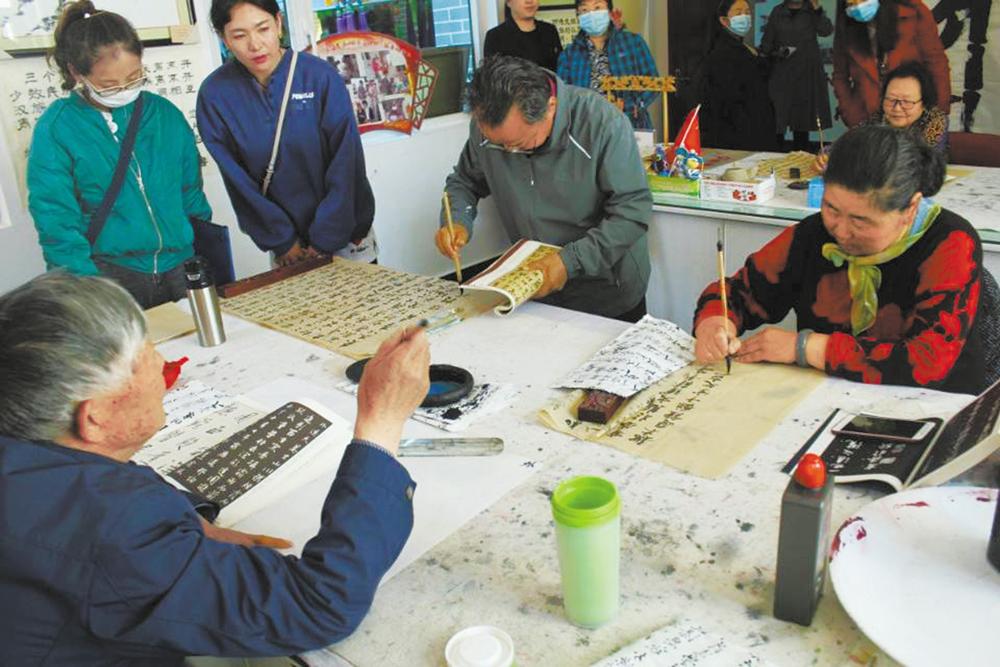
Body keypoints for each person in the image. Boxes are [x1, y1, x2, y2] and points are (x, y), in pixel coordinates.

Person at [0, 271, 429, 664]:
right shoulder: (113, 529)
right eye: (143, 354)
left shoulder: (27, 449)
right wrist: (381, 419)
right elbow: (319, 607)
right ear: (96, 417)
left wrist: (188, 524)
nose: (159, 361)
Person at [694, 125, 986, 394]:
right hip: (828, 399)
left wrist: (804, 348)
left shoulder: (950, 243)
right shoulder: (814, 234)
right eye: (831, 209)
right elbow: (740, 292)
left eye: (861, 221)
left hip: (933, 406)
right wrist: (716, 323)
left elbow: (927, 361)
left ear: (909, 209)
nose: (841, 232)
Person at [26, 1, 213, 309]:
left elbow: (190, 192)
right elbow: (56, 221)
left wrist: (202, 251)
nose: (125, 89)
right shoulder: (58, 128)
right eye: (109, 84)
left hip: (182, 267)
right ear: (77, 73)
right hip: (110, 277)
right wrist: (88, 291)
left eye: (135, 77)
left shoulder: (163, 114)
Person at [436, 56, 650, 321]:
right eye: (497, 144)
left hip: (605, 288)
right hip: (533, 285)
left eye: (518, 144)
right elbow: (465, 181)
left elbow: (632, 213)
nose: (507, 152)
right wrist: (456, 219)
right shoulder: (488, 129)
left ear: (551, 107)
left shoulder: (602, 124)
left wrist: (569, 262)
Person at [197, 0, 376, 267]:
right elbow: (238, 181)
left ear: (279, 23)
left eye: (263, 29)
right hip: (285, 247)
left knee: (363, 308)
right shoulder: (215, 95)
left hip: (346, 234)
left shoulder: (319, 77)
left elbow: (346, 163)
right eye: (239, 35)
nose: (255, 44)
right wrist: (281, 241)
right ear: (224, 39)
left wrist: (325, 238)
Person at [832, 0, 950, 128]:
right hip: (865, 118)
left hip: (912, 116)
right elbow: (840, 75)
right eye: (850, 3)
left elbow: (937, 64)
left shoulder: (914, 12)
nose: (858, 6)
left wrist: (937, 114)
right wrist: (850, 112)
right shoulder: (846, 25)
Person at [556, 0, 659, 130]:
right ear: (578, 15)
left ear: (609, 12)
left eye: (597, 7)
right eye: (584, 10)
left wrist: (633, 106)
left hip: (631, 125)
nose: (591, 14)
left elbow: (653, 81)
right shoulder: (569, 54)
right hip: (587, 129)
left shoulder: (633, 42)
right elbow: (564, 94)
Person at [700, 0, 778, 151]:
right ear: (724, 20)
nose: (745, 17)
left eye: (747, 12)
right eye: (738, 12)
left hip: (751, 127)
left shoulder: (742, 48)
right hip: (738, 134)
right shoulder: (723, 52)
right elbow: (728, 98)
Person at [761, 0, 833, 151]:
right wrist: (777, 52)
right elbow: (766, 45)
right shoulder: (777, 11)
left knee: (802, 122)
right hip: (781, 73)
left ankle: (801, 159)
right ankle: (775, 158)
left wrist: (817, 9)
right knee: (777, 121)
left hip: (806, 74)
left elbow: (826, 30)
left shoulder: (812, 11)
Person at [484, 0, 563, 72]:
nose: (529, 1)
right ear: (508, 2)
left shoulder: (549, 31)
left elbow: (560, 68)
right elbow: (492, 79)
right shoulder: (495, 36)